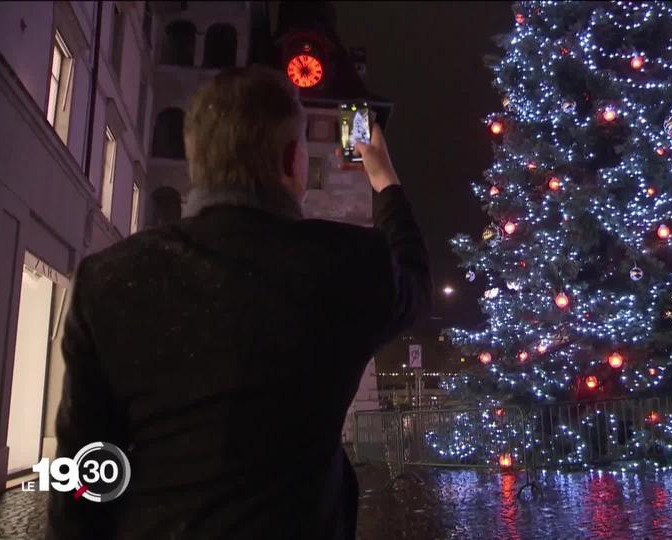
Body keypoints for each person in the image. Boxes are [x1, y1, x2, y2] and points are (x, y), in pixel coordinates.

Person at [46, 67, 431, 539]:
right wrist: (385, 180)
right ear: (293, 161)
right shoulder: (349, 263)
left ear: (195, 162)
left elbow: (82, 481)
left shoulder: (107, 280)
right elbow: (414, 281)